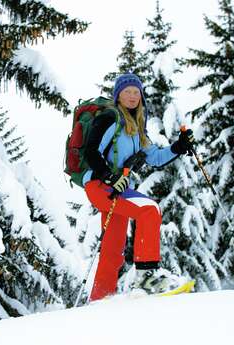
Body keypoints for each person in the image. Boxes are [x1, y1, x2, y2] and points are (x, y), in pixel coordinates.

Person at [83, 73, 194, 302]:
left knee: (114, 249)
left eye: (136, 92)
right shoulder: (108, 119)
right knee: (149, 209)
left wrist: (178, 147)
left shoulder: (136, 128)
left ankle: (100, 300)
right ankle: (147, 276)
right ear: (118, 95)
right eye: (127, 92)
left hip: (118, 188)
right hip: (100, 185)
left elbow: (154, 157)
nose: (133, 96)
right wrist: (109, 176)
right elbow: (90, 151)